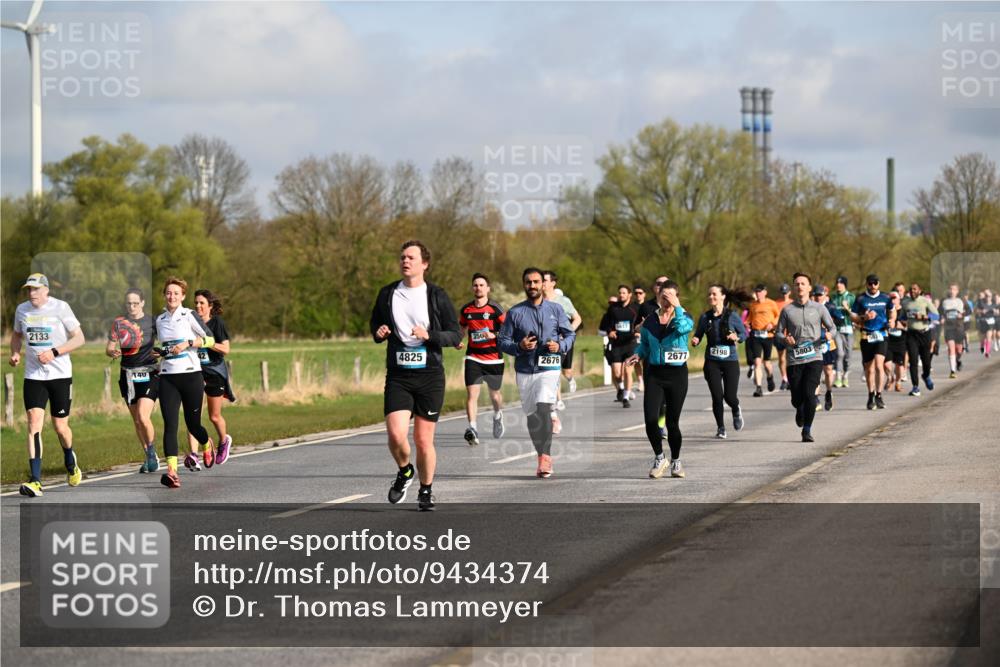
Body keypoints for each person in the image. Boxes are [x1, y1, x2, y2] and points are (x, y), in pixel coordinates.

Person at [370, 241, 461, 511]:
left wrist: (428, 335)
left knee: (423, 440)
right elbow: (375, 324)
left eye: (411, 257)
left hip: (430, 375)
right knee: (396, 435)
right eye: (402, 257)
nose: (405, 261)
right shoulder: (388, 294)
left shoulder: (436, 295)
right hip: (399, 374)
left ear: (424, 264)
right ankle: (405, 471)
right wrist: (379, 332)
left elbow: (455, 334)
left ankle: (426, 490)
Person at [10, 273, 85, 497]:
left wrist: (54, 352)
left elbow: (79, 338)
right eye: (28, 290)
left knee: (60, 427)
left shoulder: (61, 308)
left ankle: (70, 462)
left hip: (60, 375)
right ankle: (35, 480)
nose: (31, 293)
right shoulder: (22, 310)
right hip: (34, 376)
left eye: (35, 289)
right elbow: (16, 335)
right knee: (34, 425)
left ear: (46, 290)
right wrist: (15, 352)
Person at [498, 268, 575, 478]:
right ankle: (541, 454)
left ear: (543, 284)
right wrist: (520, 346)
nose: (532, 286)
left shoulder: (556, 309)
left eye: (536, 282)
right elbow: (503, 341)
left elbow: (570, 334)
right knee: (532, 416)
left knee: (543, 407)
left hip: (549, 368)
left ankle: (546, 456)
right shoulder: (515, 313)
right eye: (528, 282)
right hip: (525, 369)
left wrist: (559, 346)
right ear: (524, 285)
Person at [625, 280, 693, 478]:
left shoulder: (684, 316)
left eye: (671, 296)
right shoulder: (650, 320)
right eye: (664, 296)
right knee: (650, 420)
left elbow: (682, 329)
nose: (667, 300)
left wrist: (677, 307)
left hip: (677, 374)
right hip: (654, 374)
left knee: (672, 423)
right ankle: (659, 457)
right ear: (657, 297)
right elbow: (645, 344)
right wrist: (638, 354)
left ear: (677, 297)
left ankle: (676, 461)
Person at [154, 277, 215, 488]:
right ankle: (172, 473)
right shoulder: (159, 320)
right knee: (170, 425)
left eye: (176, 293)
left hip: (191, 376)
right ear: (164, 295)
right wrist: (156, 353)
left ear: (182, 296)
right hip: (168, 378)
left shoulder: (189, 315)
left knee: (193, 424)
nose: (172, 296)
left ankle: (206, 444)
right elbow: (156, 348)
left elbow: (210, 340)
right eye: (169, 293)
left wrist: (188, 343)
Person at [106, 288, 160, 474]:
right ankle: (148, 456)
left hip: (149, 373)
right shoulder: (119, 323)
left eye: (135, 303)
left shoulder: (153, 322)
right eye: (129, 303)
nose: (132, 307)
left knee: (144, 417)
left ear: (143, 303)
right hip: (127, 375)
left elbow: (166, 340)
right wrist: (112, 351)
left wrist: (162, 352)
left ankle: (152, 453)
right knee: (137, 420)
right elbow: (110, 347)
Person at [777, 273, 835, 442]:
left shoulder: (819, 309)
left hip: (814, 358)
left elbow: (833, 328)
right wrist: (785, 339)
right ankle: (799, 409)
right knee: (797, 398)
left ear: (809, 288)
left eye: (803, 283)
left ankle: (807, 430)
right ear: (794, 288)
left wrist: (830, 335)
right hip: (794, 360)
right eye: (797, 284)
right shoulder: (787, 310)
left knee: (810, 395)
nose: (800, 286)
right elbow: (779, 332)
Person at [691, 285, 748, 439]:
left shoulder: (732, 316)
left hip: (730, 361)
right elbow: (698, 334)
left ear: (723, 297)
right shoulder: (705, 317)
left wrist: (737, 337)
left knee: (729, 397)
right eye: (709, 294)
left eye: (714, 294)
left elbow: (744, 333)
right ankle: (721, 428)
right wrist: (696, 339)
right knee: (717, 396)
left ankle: (735, 409)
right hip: (712, 362)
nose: (711, 297)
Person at [186, 289, 236, 465]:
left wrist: (208, 343)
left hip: (214, 372)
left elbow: (226, 349)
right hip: (195, 372)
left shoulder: (217, 323)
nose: (198, 306)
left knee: (214, 416)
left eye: (202, 303)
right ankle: (193, 454)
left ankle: (224, 441)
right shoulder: (190, 323)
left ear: (210, 306)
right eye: (196, 303)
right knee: (193, 417)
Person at [457, 273, 506, 447]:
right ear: (473, 288)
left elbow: (509, 330)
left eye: (481, 285)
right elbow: (461, 326)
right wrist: (458, 340)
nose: (478, 288)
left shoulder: (495, 309)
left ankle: (498, 414)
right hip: (473, 357)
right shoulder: (466, 310)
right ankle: (472, 429)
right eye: (475, 285)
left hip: (493, 358)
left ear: (488, 289)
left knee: (495, 396)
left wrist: (494, 334)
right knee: (472, 395)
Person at [542, 270, 582, 425]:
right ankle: (554, 405)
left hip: (561, 344)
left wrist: (567, 334)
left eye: (545, 280)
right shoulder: (537, 301)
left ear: (553, 283)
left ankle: (554, 407)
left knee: (556, 371)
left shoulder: (563, 301)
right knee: (549, 374)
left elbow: (577, 318)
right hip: (544, 345)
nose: (542, 283)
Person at [849, 274, 894, 410]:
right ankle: (870, 395)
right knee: (869, 369)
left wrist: (891, 320)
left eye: (875, 283)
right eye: (870, 283)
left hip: (881, 334)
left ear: (879, 284)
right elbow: (853, 316)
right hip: (866, 335)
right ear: (867, 284)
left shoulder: (885, 297)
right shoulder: (861, 298)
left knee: (879, 366)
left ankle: (879, 395)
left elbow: (892, 311)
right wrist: (865, 317)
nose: (873, 286)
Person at [599, 285, 641, 408]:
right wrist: (609, 331)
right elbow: (606, 324)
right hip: (616, 344)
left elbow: (642, 321)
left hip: (630, 343)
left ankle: (626, 397)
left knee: (628, 371)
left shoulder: (635, 308)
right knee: (617, 373)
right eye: (620, 293)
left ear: (629, 295)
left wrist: (639, 330)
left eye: (624, 293)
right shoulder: (613, 308)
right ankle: (621, 389)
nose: (621, 295)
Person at [899, 282, 937, 396]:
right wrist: (902, 321)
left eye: (915, 289)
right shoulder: (905, 302)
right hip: (911, 335)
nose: (912, 291)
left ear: (919, 291)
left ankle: (926, 376)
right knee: (913, 361)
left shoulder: (925, 301)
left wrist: (924, 317)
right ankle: (915, 386)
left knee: (926, 361)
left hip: (924, 334)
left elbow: (936, 315)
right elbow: (902, 316)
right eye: (911, 289)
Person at [747, 284, 780, 396]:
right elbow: (749, 319)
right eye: (756, 292)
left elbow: (778, 316)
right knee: (757, 362)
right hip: (756, 335)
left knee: (766, 363)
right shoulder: (753, 305)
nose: (758, 294)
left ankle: (770, 377)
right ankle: (759, 388)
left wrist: (772, 324)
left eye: (760, 291)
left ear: (765, 292)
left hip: (768, 336)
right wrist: (746, 324)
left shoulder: (771, 303)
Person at [812, 285, 838, 411]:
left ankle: (828, 392)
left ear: (825, 295)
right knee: (816, 371)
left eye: (820, 295)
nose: (818, 297)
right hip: (813, 343)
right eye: (816, 295)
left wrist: (831, 324)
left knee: (828, 370)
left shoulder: (830, 307)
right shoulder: (809, 307)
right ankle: (816, 398)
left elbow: (840, 319)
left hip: (828, 343)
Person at [829, 276, 855, 388]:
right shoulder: (833, 297)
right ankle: (838, 378)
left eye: (841, 283)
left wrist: (847, 309)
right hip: (837, 329)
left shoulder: (851, 297)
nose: (838, 285)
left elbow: (856, 315)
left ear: (845, 284)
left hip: (848, 328)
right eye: (837, 283)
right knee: (839, 353)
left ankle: (845, 377)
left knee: (848, 355)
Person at [941, 284, 967, 378]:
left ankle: (957, 360)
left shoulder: (960, 301)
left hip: (958, 327)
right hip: (948, 328)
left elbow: (968, 311)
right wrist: (942, 318)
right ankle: (952, 371)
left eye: (954, 289)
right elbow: (940, 312)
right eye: (951, 289)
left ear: (957, 291)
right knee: (951, 348)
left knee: (959, 349)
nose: (952, 291)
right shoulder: (944, 302)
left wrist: (962, 315)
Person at [884, 290, 907, 393]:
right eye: (891, 298)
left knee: (899, 364)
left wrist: (899, 325)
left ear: (899, 299)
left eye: (894, 298)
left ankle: (898, 382)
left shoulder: (904, 311)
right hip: (888, 340)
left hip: (900, 340)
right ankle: (890, 377)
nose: (892, 300)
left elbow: (909, 325)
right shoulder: (885, 311)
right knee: (886, 364)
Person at [773, 283, 793, 390]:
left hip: (791, 335)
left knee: (790, 358)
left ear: (789, 292)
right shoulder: (776, 304)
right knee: (781, 358)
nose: (784, 295)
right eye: (783, 293)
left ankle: (791, 379)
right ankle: (784, 379)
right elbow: (773, 317)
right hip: (780, 335)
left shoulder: (794, 304)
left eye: (786, 293)